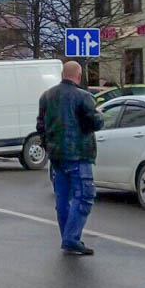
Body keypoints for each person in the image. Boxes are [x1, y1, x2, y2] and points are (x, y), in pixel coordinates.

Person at [38, 61, 103, 256]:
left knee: (63, 199)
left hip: (56, 156)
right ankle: (71, 238)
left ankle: (67, 236)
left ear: (62, 74)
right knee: (84, 196)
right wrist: (100, 116)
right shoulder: (84, 97)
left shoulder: (46, 96)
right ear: (79, 75)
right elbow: (96, 122)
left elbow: (40, 126)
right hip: (79, 154)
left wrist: (48, 145)